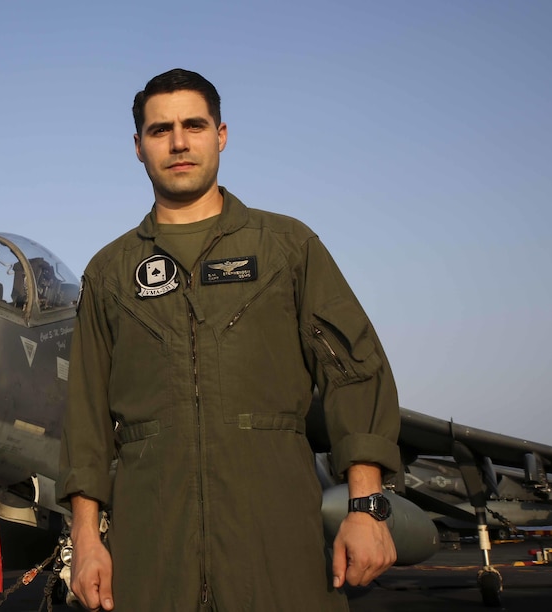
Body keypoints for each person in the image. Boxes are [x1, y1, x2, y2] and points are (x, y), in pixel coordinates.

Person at [58, 68, 401, 611]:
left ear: (220, 135)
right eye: (159, 130)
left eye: (194, 125)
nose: (177, 142)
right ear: (138, 147)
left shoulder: (287, 248)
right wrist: (86, 537)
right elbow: (86, 419)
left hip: (276, 544)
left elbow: (354, 371)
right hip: (151, 553)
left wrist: (367, 506)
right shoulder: (110, 273)